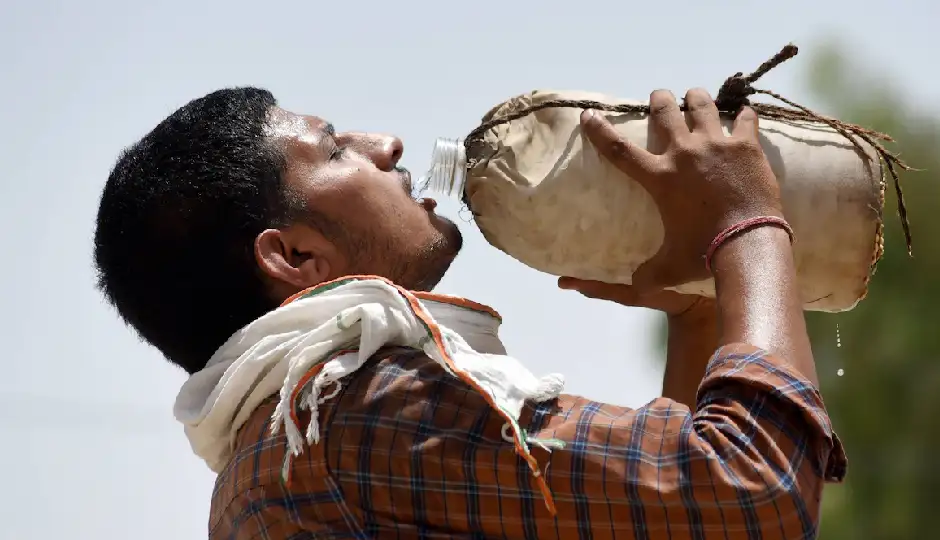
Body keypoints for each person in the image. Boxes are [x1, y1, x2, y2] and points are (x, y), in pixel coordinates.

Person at [93, 86, 846, 539]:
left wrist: (697, 317)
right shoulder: (359, 410)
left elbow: (670, 523)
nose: (386, 145)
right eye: (333, 151)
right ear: (295, 256)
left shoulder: (277, 455)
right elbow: (755, 495)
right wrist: (747, 220)